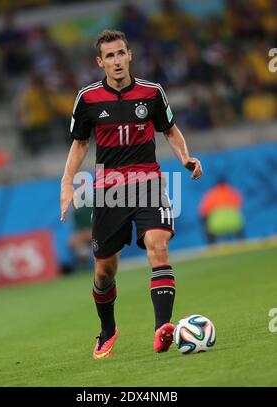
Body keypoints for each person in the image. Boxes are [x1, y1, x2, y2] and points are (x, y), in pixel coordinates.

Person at [60, 30, 202, 360]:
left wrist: (185, 157)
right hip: (108, 192)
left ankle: (162, 329)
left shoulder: (152, 93)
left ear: (130, 55)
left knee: (158, 244)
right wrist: (67, 183)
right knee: (104, 271)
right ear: (100, 62)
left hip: (148, 183)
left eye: (120, 53)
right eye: (109, 56)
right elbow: (80, 144)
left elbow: (169, 129)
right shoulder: (88, 98)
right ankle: (108, 329)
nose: (116, 60)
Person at [199, 177, 244, 244]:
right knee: (239, 220)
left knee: (205, 224)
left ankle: (211, 246)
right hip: (234, 224)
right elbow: (240, 205)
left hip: (217, 225)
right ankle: (242, 243)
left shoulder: (211, 194)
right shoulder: (233, 192)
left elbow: (203, 211)